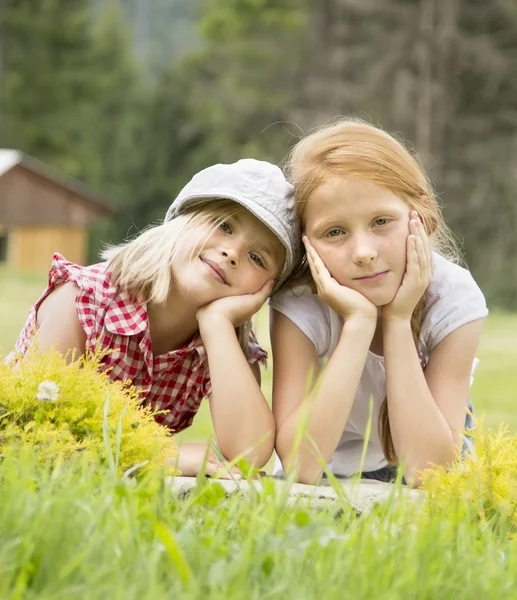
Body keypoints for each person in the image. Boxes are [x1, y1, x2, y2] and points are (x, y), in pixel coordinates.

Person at [10, 159, 301, 477]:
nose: (232, 252)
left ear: (264, 290)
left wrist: (217, 326)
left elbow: (249, 453)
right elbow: (37, 427)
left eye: (257, 258)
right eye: (224, 226)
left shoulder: (227, 347)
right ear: (182, 221)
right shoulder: (83, 300)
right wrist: (159, 455)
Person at [270, 119, 488, 487]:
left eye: (381, 221)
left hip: (424, 452)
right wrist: (357, 324)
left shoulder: (453, 297)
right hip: (327, 463)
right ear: (304, 242)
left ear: (421, 216)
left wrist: (398, 322)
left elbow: (429, 471)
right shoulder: (300, 304)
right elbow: (300, 466)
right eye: (334, 232)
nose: (364, 253)